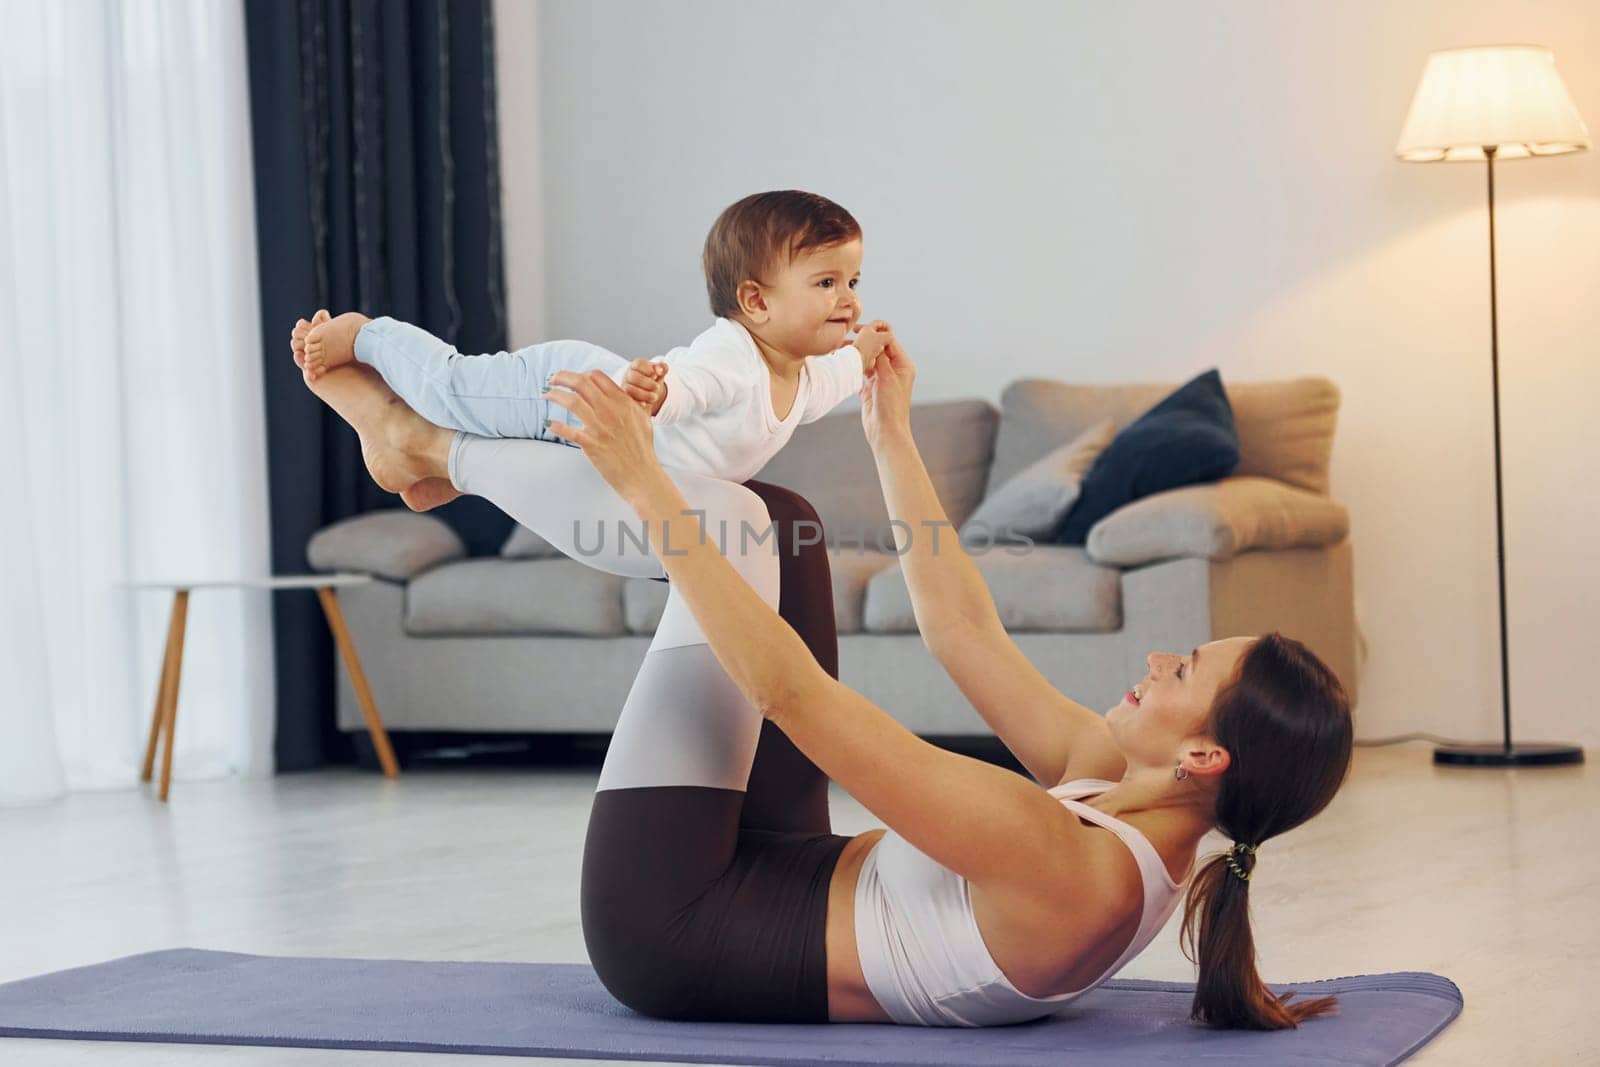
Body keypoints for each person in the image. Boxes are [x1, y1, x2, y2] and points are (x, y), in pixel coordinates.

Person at [295, 328, 1354, 1030]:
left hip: (674, 922)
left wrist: (639, 478)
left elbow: (795, 695)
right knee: (788, 520)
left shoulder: (1059, 859)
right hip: (787, 865)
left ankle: (427, 440)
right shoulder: (1118, 794)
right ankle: (430, 449)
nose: (1158, 661)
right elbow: (961, 629)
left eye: (1182, 670)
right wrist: (890, 430)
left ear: (1202, 754)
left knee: (720, 524)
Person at [290, 190, 894, 513]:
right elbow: (693, 385)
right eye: (827, 283)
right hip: (567, 385)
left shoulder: (806, 376)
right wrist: (660, 393)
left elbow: (842, 375)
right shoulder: (734, 354)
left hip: (589, 439)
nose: (848, 301)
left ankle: (431, 471)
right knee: (455, 389)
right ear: (756, 302)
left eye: (854, 282)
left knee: (509, 447)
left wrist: (865, 353)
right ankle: (368, 336)